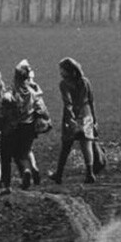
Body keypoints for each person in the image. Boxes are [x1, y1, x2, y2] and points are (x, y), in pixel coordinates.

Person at [0, 60, 49, 194]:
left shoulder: (12, 91)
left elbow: (4, 104)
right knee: (22, 154)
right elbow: (41, 109)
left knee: (6, 156)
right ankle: (26, 170)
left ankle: (7, 185)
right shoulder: (32, 92)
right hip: (28, 128)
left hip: (12, 128)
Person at [49, 57, 98, 185]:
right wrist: (95, 120)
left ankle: (58, 174)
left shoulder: (64, 84)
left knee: (66, 145)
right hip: (86, 113)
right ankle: (90, 173)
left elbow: (67, 102)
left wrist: (71, 119)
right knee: (86, 145)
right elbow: (92, 101)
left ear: (67, 70)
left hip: (73, 115)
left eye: (62, 70)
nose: (60, 72)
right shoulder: (85, 81)